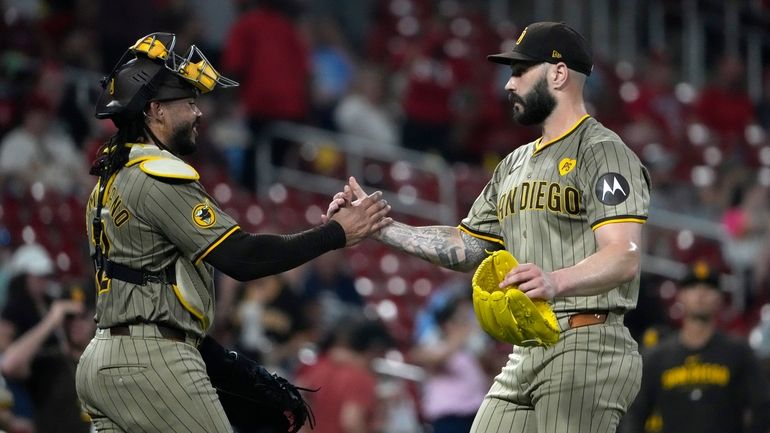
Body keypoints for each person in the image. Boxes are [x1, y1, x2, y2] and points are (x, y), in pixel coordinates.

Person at [327, 21, 651, 433]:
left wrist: (555, 280)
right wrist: (381, 227)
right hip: (527, 349)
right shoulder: (513, 166)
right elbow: (467, 245)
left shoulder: (603, 152)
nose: (508, 85)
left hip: (589, 340)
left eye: (519, 71)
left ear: (558, 73)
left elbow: (624, 255)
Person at [75, 32, 391, 433]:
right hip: (150, 360)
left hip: (103, 358)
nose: (198, 113)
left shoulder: (110, 179)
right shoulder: (155, 175)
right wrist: (336, 233)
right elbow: (242, 257)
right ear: (155, 110)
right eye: (188, 102)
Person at [622, 262, 770, 433]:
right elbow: (634, 415)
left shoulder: (738, 353)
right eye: (693, 287)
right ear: (681, 296)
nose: (701, 294)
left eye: (709, 288)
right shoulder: (657, 357)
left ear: (720, 298)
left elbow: (763, 408)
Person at [295, 315, 393, 433]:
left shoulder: (315, 366)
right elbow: (351, 421)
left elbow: (298, 408)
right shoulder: (361, 377)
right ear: (374, 349)